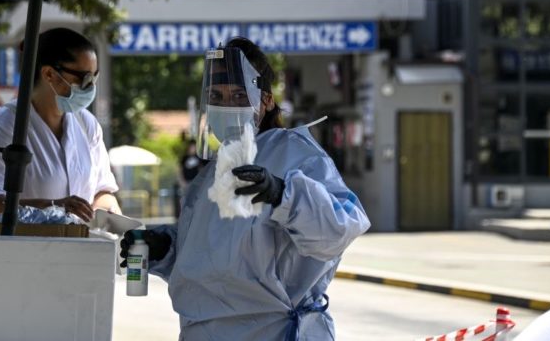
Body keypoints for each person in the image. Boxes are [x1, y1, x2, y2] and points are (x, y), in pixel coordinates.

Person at [120, 36, 370, 340]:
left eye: (239, 96)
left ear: (266, 100)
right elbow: (216, 262)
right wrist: (165, 248)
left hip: (271, 332)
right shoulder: (213, 171)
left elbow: (340, 229)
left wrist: (284, 195)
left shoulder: (293, 153)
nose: (226, 107)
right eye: (217, 96)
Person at [0, 28, 120, 222]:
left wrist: (103, 212)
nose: (90, 88)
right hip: (25, 249)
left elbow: (103, 191)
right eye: (84, 79)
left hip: (81, 248)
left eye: (94, 78)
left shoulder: (87, 124)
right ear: (49, 74)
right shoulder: (4, 125)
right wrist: (52, 205)